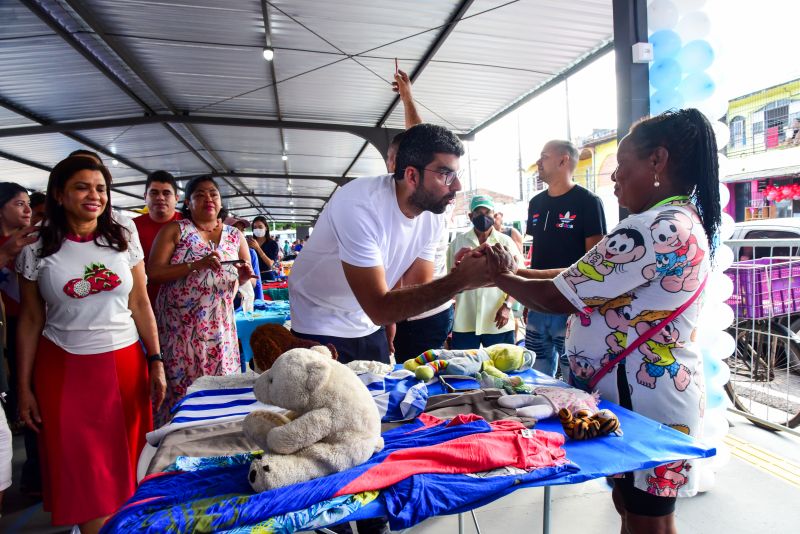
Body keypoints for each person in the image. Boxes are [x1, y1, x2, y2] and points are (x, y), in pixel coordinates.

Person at [475, 109, 720, 534]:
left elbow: (556, 296)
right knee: (631, 507)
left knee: (650, 521)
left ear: (657, 161)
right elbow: (573, 276)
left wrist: (498, 276)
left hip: (645, 401)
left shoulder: (652, 229)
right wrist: (511, 271)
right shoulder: (675, 220)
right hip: (638, 396)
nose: (614, 178)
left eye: (622, 166)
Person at [289, 122, 488, 534]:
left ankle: (373, 516)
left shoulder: (433, 214)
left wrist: (448, 281)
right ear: (411, 174)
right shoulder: (357, 204)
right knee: (326, 430)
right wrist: (459, 282)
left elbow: (410, 289)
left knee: (372, 423)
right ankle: (335, 518)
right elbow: (381, 302)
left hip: (367, 319)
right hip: (320, 320)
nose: (455, 186)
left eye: (457, 173)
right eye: (445, 173)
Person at [15, 156, 167, 533]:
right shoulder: (35, 248)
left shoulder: (124, 232)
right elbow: (31, 320)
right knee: (84, 472)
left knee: (125, 466)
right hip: (64, 370)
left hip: (124, 365)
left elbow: (141, 303)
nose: (94, 195)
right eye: (82, 187)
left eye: (100, 188)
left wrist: (156, 360)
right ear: (59, 194)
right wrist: (23, 387)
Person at [147, 175, 254, 426]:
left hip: (220, 328)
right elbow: (154, 272)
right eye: (200, 194)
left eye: (213, 193)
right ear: (188, 202)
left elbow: (247, 279)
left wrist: (244, 277)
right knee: (183, 392)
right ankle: (176, 448)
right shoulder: (175, 230)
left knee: (220, 392)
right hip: (180, 330)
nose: (208, 198)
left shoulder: (234, 236)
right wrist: (195, 265)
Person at [385, 70, 454, 363]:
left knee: (414, 382)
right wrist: (407, 98)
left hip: (420, 313)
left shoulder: (430, 196)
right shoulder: (398, 197)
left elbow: (409, 282)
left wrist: (386, 314)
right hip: (419, 310)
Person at [525, 140, 606, 378]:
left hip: (571, 306)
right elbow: (536, 255)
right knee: (536, 374)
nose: (538, 163)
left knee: (573, 376)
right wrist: (529, 299)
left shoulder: (588, 202)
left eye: (544, 157)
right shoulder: (535, 203)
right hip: (539, 303)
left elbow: (596, 259)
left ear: (563, 160)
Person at [0, 183, 42, 499]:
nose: (27, 210)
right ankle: (33, 472)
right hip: (11, 327)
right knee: (23, 395)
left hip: (38, 324)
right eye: (19, 204)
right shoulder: (9, 245)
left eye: (28, 204)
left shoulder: (36, 241)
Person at [447, 195, 522, 349]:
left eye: (487, 212)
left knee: (502, 370)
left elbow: (518, 277)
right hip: (465, 321)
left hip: (497, 319)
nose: (483, 217)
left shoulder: (505, 242)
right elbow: (449, 279)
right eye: (478, 213)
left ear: (494, 215)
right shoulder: (458, 243)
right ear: (470, 216)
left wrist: (508, 306)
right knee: (463, 370)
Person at [133, 170, 182, 310]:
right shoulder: (130, 228)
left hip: (183, 309)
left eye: (166, 193)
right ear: (145, 197)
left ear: (176, 198)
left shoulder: (190, 225)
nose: (160, 198)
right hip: (144, 306)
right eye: (154, 193)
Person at [248, 216, 280, 280]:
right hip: (253, 277)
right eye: (255, 227)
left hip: (267, 277)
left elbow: (270, 264)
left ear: (266, 228)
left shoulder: (272, 244)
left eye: (260, 227)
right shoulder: (250, 243)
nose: (257, 229)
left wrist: (258, 248)